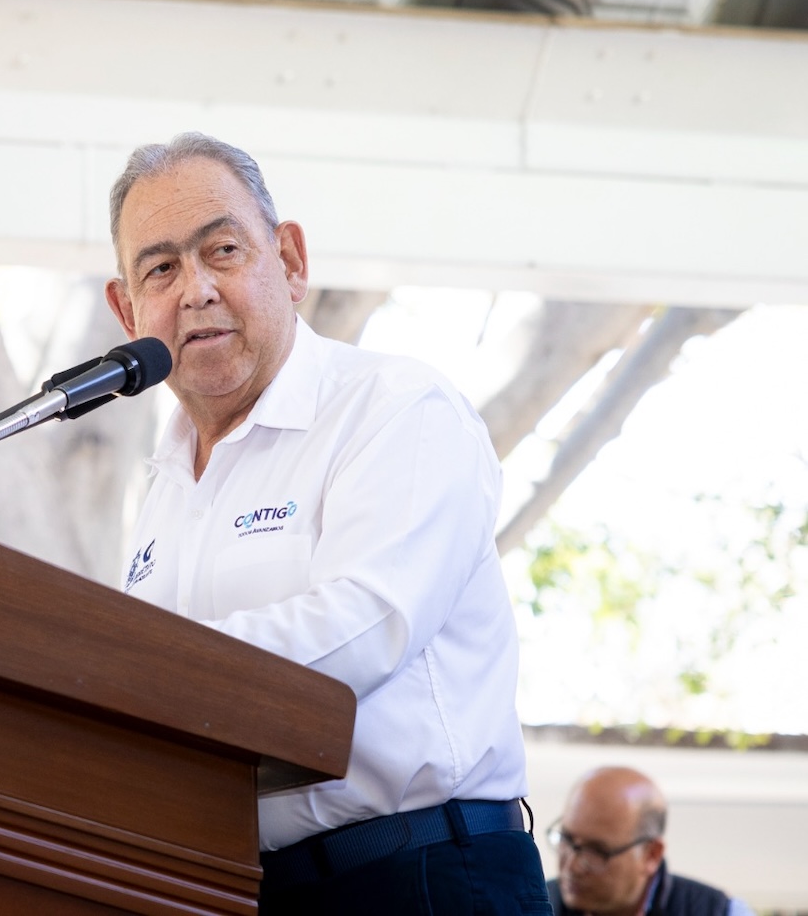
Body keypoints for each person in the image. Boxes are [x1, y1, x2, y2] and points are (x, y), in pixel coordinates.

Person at [103, 132, 549, 914]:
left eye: (223, 251)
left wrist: (132, 672)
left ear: (290, 260)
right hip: (239, 887)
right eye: (161, 269)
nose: (196, 289)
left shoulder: (394, 408)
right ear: (126, 308)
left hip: (420, 875)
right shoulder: (165, 485)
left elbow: (365, 627)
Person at [547, 766, 755, 916]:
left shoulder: (719, 911)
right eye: (566, 839)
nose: (572, 866)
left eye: (597, 851)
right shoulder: (534, 906)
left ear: (651, 854)